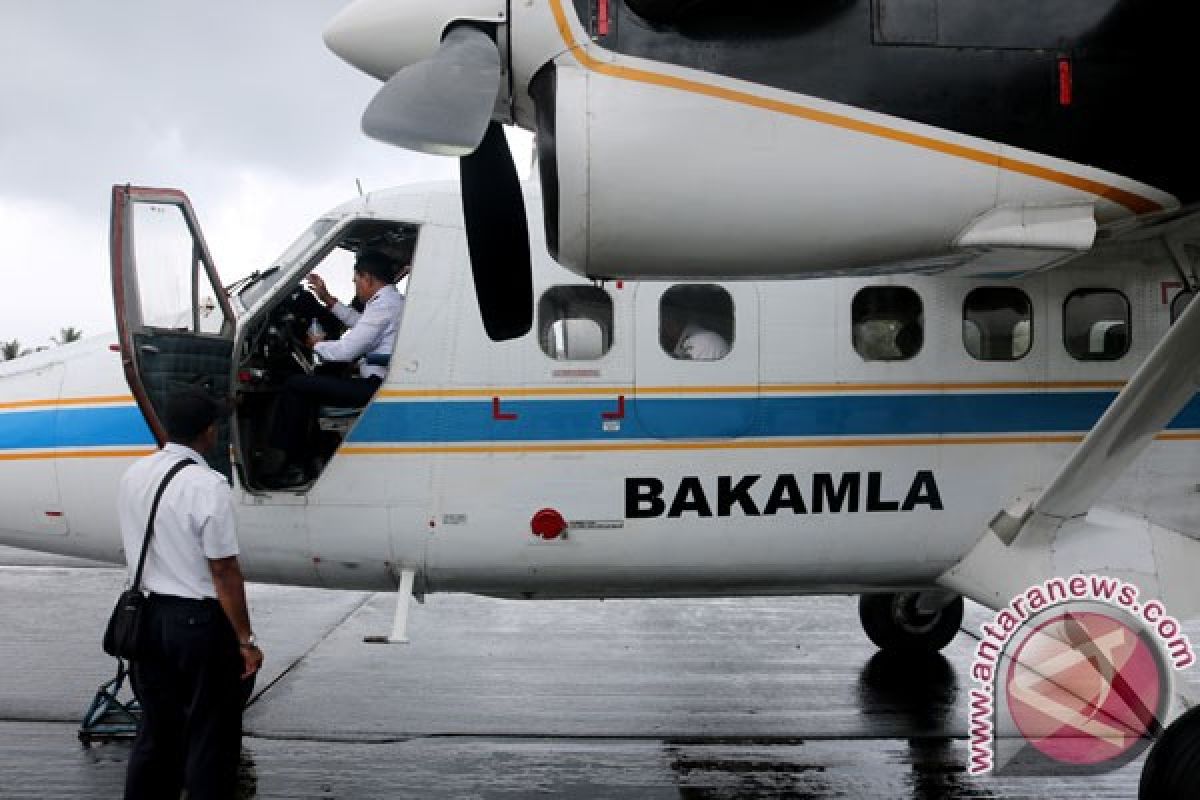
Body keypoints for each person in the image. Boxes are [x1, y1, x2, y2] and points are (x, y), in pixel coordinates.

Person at [119, 386, 263, 800]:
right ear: (209, 431)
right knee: (210, 738)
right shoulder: (207, 485)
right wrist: (244, 640)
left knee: (155, 733)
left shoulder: (135, 473)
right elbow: (223, 569)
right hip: (197, 624)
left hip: (147, 619)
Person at [263, 250, 407, 488]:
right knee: (316, 382)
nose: (356, 287)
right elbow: (360, 324)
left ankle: (294, 465)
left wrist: (317, 345)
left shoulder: (384, 307)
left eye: (356, 281)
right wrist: (326, 298)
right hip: (378, 380)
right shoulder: (390, 302)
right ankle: (316, 454)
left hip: (374, 386)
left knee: (295, 386)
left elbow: (346, 350)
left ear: (367, 278)